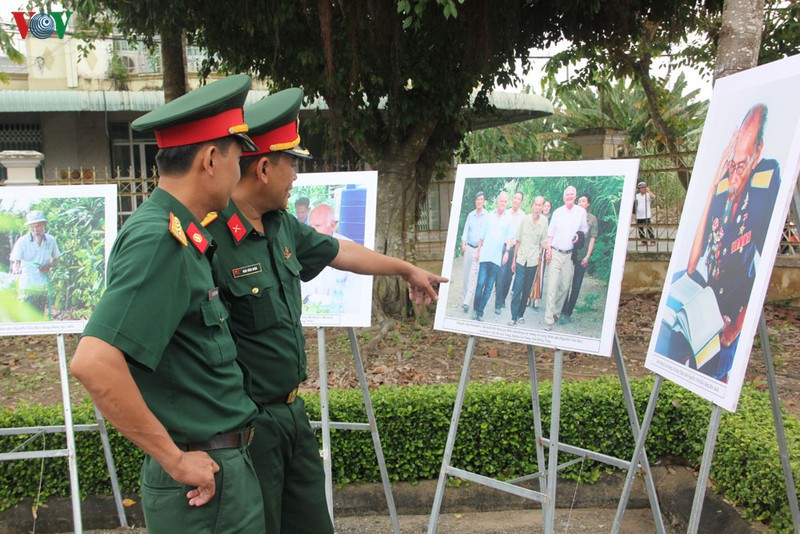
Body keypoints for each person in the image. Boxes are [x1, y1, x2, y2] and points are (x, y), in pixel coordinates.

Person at [204, 87, 447, 533]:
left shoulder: (281, 226)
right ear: (262, 167)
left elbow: (341, 251)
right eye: (291, 163)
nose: (296, 176)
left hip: (292, 413)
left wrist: (405, 269)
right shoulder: (211, 240)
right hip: (248, 427)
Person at [70, 74, 266, 533]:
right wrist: (177, 461)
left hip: (218, 470)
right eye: (239, 156)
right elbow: (94, 362)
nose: (241, 170)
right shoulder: (161, 238)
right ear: (212, 158)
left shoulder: (181, 231)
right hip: (202, 483)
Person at [662, 103, 780, 380]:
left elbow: (764, 269)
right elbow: (692, 265)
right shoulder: (724, 183)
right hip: (708, 295)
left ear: (757, 153)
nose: (735, 175)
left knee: (712, 371)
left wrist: (735, 329)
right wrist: (713, 186)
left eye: (741, 165)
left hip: (732, 303)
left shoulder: (765, 183)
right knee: (670, 339)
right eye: (732, 165)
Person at [544, 186, 588, 331]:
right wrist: (548, 250)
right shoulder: (557, 212)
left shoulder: (581, 212)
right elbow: (550, 234)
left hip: (569, 255)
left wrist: (578, 235)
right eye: (567, 194)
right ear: (564, 198)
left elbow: (584, 229)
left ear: (575, 196)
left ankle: (556, 312)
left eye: (571, 194)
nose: (569, 196)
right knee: (552, 287)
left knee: (564, 287)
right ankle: (549, 320)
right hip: (556, 253)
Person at [303, 203, 358, 313]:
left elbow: (353, 289)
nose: (312, 231)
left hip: (338, 309)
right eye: (310, 225)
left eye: (318, 226)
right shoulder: (301, 245)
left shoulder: (348, 247)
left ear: (332, 225)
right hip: (306, 309)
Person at [471, 191, 514, 321]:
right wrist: (478, 251)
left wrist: (507, 252)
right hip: (485, 257)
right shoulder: (489, 215)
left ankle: (480, 311)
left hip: (496, 259)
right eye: (501, 200)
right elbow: (481, 236)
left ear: (507, 203)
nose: (503, 203)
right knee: (480, 284)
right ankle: (475, 308)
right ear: (497, 201)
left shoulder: (509, 219)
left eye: (505, 201)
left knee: (489, 288)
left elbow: (509, 238)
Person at [10, 210, 60, 317]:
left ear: (44, 225)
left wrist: (49, 265)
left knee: (39, 315)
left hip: (43, 285)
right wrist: (17, 271)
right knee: (26, 315)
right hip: (27, 285)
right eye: (32, 226)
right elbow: (16, 262)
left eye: (38, 226)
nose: (35, 230)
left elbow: (55, 260)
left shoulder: (51, 240)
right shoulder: (22, 241)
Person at [508, 196, 548, 326]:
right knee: (518, 287)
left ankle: (520, 314)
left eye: (539, 205)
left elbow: (543, 241)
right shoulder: (524, 220)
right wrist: (514, 260)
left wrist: (549, 249)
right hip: (521, 259)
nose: (537, 207)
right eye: (535, 204)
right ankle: (513, 316)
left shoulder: (544, 222)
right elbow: (518, 240)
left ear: (542, 207)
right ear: (532, 206)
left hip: (533, 261)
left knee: (526, 289)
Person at [561, 194, 598, 322]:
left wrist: (588, 256)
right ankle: (562, 309)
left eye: (584, 201)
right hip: (569, 253)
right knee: (565, 283)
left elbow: (592, 239)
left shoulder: (592, 219)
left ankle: (568, 313)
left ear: (588, 204)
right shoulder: (572, 215)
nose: (581, 203)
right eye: (579, 201)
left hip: (582, 256)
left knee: (576, 286)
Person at [494, 191, 526, 312]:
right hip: (502, 248)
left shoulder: (523, 216)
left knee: (508, 277)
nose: (516, 200)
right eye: (515, 198)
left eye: (519, 199)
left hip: (514, 249)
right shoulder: (505, 212)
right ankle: (498, 301)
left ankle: (502, 298)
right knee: (500, 275)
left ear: (521, 202)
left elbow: (522, 235)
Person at [460, 191, 488, 313]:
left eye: (481, 199)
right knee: (466, 274)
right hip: (469, 248)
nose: (479, 202)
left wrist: (480, 250)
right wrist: (463, 243)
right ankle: (465, 298)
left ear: (484, 201)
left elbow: (486, 234)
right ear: (475, 201)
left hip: (479, 249)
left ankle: (467, 301)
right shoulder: (471, 215)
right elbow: (465, 230)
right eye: (477, 199)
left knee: (473, 275)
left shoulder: (487, 216)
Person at [530, 198, 552, 309]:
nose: (546, 208)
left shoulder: (552, 220)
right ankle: (528, 296)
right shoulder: (537, 218)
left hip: (544, 250)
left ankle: (536, 299)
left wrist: (549, 251)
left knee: (540, 274)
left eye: (548, 206)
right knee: (531, 273)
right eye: (545, 206)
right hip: (534, 249)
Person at [635, 181, 656, 246]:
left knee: (649, 228)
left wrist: (649, 191)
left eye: (644, 188)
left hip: (646, 215)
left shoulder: (648, 195)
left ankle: (652, 241)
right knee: (640, 229)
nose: (642, 189)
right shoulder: (637, 196)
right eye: (641, 188)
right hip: (639, 215)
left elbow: (653, 197)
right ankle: (644, 241)